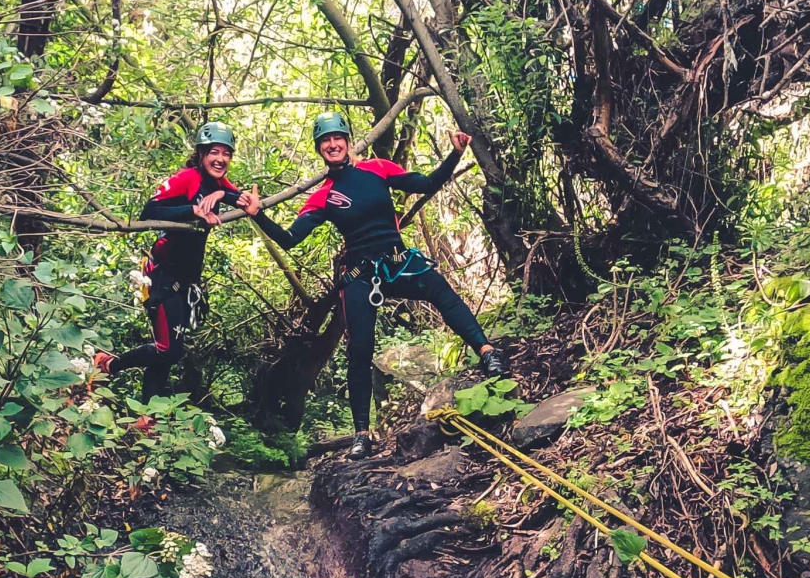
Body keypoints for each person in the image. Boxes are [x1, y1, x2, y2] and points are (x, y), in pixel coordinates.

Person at [258, 111, 508, 458]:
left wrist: (455, 153)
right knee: (360, 349)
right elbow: (289, 239)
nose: (332, 144)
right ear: (319, 148)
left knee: (441, 292)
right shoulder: (324, 196)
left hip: (397, 261)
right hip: (361, 274)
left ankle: (487, 352)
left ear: (348, 141)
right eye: (325, 141)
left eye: (337, 138)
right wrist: (257, 213)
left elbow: (426, 184)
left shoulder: (377, 169)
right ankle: (362, 433)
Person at [96, 121, 271, 398]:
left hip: (184, 280)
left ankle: (147, 415)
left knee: (165, 351)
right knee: (169, 350)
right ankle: (109, 364)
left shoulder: (217, 183)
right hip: (161, 275)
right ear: (201, 154)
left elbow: (238, 198)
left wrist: (222, 194)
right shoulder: (187, 178)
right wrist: (192, 210)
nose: (220, 159)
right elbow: (149, 212)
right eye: (214, 152)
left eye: (226, 153)